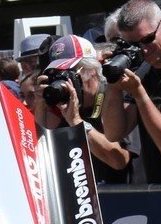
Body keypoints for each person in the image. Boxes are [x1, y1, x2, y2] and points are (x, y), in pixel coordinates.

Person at [103, 0, 161, 187]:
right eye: (134, 44)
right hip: (156, 191)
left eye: (147, 39)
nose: (143, 50)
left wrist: (140, 94)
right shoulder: (143, 72)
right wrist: (113, 78)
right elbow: (113, 133)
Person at [29, 36, 133, 180]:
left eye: (69, 72)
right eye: (57, 74)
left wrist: (77, 122)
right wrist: (41, 104)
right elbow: (37, 150)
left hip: (119, 191)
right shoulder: (66, 102)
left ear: (92, 70)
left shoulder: (115, 92)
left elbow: (120, 160)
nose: (63, 80)